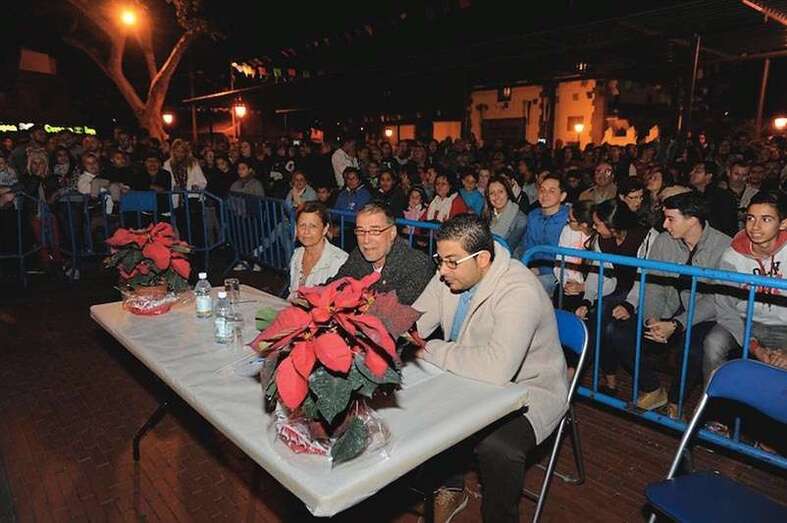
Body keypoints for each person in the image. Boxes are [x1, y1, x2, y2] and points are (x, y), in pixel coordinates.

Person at [413, 214, 568, 523]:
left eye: (451, 262)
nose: (442, 270)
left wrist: (430, 348)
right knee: (418, 403)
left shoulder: (519, 289)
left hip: (529, 390)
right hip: (468, 377)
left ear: (482, 259)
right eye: (440, 260)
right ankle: (450, 486)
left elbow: (497, 368)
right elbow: (414, 321)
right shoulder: (452, 272)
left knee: (498, 448)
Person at [607, 192, 730, 415]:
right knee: (619, 332)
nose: (664, 225)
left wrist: (676, 324)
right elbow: (653, 284)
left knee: (693, 349)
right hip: (670, 306)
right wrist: (651, 320)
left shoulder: (723, 246)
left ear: (692, 220)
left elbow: (716, 299)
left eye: (671, 219)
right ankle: (652, 389)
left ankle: (675, 401)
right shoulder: (664, 241)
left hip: (706, 314)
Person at [703, 191, 787, 383]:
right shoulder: (732, 256)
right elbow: (725, 308)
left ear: (783, 224)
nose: (755, 227)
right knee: (713, 343)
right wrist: (753, 346)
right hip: (744, 322)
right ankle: (712, 398)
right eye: (750, 218)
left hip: (784, 326)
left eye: (766, 219)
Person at [332, 202, 433, 305]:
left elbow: (392, 310)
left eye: (375, 231)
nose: (366, 240)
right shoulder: (358, 255)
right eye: (361, 231)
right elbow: (334, 286)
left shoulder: (418, 265)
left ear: (392, 233)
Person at [521, 173, 571, 294]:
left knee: (528, 289)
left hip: (557, 272)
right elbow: (528, 245)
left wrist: (541, 270)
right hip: (532, 267)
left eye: (551, 191)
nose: (545, 195)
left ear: (562, 196)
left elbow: (566, 257)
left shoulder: (568, 219)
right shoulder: (533, 215)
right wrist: (529, 266)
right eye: (542, 190)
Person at [288, 202, 348, 296]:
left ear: (325, 229)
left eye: (313, 226)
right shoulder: (297, 255)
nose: (306, 231)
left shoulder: (339, 261)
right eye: (302, 225)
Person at [688, 160, 738, 237]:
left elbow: (727, 226)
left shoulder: (722, 197)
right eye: (692, 170)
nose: (691, 173)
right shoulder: (691, 195)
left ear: (709, 176)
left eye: (697, 172)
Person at [483, 175, 527, 258]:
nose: (496, 196)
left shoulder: (521, 220)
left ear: (508, 193)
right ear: (488, 197)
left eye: (500, 192)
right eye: (492, 193)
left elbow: (510, 248)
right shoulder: (488, 215)